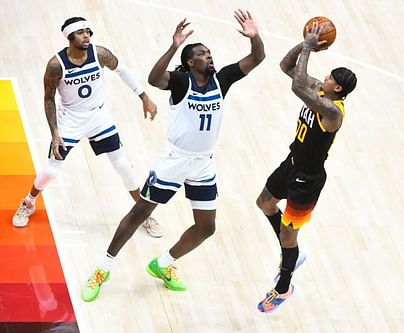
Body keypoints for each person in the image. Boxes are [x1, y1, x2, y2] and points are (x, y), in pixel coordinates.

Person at [81, 9, 265, 302]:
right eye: (203, 54)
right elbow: (154, 79)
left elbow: (256, 59)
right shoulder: (182, 83)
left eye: (210, 52)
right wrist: (174, 45)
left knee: (207, 227)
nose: (210, 56)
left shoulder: (223, 79)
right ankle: (102, 269)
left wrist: (255, 38)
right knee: (140, 213)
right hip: (173, 160)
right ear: (191, 62)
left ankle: (163, 264)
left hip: (203, 162)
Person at [11, 17, 164, 238]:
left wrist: (144, 97)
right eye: (81, 33)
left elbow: (123, 71)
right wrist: (54, 133)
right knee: (52, 169)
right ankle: (29, 202)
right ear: (70, 37)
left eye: (88, 32)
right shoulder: (56, 65)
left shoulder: (99, 54)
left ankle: (143, 214)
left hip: (98, 117)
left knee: (122, 166)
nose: (87, 36)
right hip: (70, 119)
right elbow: (48, 99)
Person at [255, 22, 357, 313]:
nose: (321, 79)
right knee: (264, 202)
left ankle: (283, 288)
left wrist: (311, 49)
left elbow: (297, 84)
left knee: (290, 236)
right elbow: (286, 66)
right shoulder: (321, 92)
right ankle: (292, 255)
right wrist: (304, 44)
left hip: (307, 180)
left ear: (336, 88)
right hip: (291, 164)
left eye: (327, 78)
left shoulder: (332, 111)